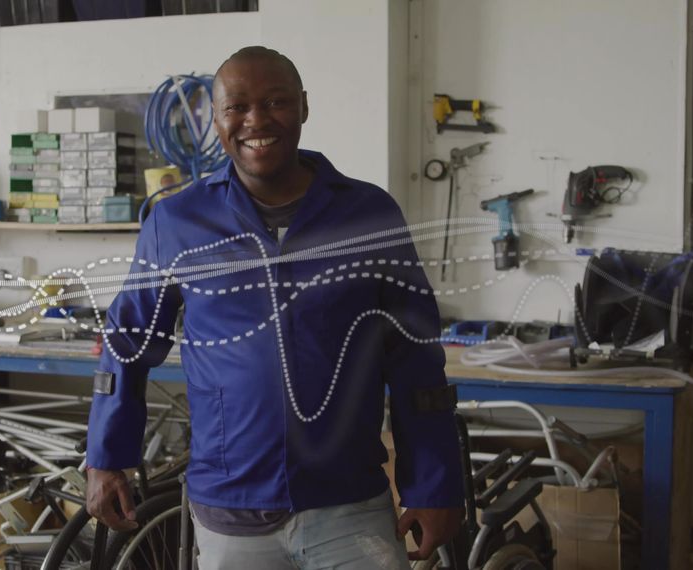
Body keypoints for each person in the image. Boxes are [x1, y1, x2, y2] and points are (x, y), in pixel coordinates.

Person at [86, 46, 463, 569]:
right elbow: (127, 341)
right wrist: (106, 458)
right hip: (231, 509)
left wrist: (434, 482)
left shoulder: (368, 215)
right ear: (216, 119)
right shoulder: (177, 223)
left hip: (349, 505)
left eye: (276, 102)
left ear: (304, 106)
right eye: (236, 107)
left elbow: (416, 357)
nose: (256, 121)